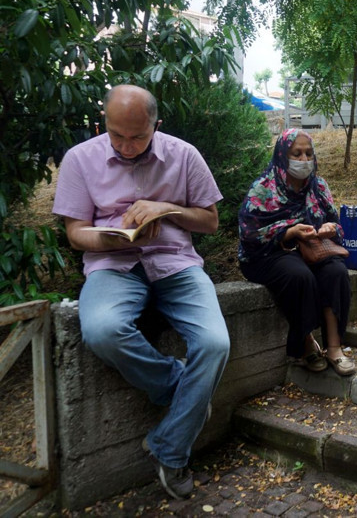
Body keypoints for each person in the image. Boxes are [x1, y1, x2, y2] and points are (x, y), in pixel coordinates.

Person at [52, 84, 231, 500]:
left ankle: (169, 448)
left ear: (156, 126)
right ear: (103, 125)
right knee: (101, 330)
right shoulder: (80, 159)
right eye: (117, 135)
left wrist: (165, 209)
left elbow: (210, 222)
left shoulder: (184, 155)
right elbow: (76, 233)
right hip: (113, 265)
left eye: (138, 137)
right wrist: (111, 239)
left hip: (174, 263)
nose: (127, 147)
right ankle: (181, 386)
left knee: (215, 342)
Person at [238, 129, 356, 376]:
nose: (304, 160)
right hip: (267, 255)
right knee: (299, 276)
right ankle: (305, 344)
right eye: (297, 153)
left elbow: (336, 224)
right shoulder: (264, 189)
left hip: (310, 248)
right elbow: (249, 234)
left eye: (309, 154)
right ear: (283, 154)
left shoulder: (318, 186)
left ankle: (334, 347)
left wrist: (329, 228)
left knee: (335, 271)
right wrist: (289, 232)